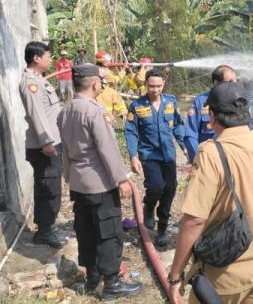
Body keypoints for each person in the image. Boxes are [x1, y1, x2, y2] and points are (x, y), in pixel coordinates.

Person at [167, 82, 253, 304]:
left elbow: (194, 221)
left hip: (224, 277)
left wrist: (175, 276)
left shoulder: (210, 153)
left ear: (212, 116)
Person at [57, 64, 142, 300]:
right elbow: (108, 150)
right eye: (101, 81)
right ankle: (112, 284)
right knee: (108, 233)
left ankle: (92, 278)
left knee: (86, 230)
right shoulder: (94, 111)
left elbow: (64, 150)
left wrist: (68, 177)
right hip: (100, 184)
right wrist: (121, 179)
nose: (102, 84)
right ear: (95, 84)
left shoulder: (65, 110)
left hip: (78, 183)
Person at [124, 69, 186, 246]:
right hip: (149, 154)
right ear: (146, 85)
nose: (155, 90)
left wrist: (185, 147)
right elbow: (130, 131)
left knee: (170, 190)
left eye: (158, 86)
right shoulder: (137, 106)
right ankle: (149, 207)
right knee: (156, 187)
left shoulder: (171, 103)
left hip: (168, 154)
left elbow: (178, 127)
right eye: (151, 86)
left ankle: (162, 229)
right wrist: (133, 155)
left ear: (163, 84)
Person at [19, 41, 67, 249]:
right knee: (48, 187)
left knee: (53, 185)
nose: (50, 59)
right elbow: (36, 114)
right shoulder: (31, 83)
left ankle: (48, 226)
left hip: (53, 141)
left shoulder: (39, 80)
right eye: (47, 56)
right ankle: (44, 231)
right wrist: (46, 141)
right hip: (45, 145)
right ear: (36, 58)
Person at [184, 65, 237, 161]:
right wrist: (198, 159)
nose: (233, 85)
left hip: (232, 158)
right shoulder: (200, 102)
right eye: (229, 82)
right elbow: (191, 134)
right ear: (216, 83)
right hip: (209, 159)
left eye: (235, 81)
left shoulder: (239, 101)